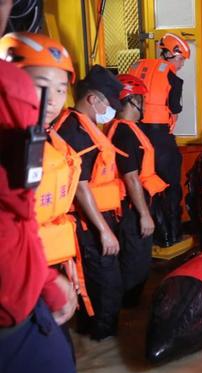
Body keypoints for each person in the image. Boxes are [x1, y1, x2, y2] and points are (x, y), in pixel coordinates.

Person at [0, 19, 85, 373]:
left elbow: (21, 223)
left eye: (60, 88)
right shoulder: (13, 142)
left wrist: (48, 280)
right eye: (39, 85)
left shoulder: (45, 142)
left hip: (41, 281)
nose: (51, 99)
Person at [54, 65, 126, 341]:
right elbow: (81, 187)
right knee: (105, 285)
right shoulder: (75, 130)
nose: (111, 111)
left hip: (98, 216)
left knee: (104, 283)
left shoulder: (84, 125)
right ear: (93, 99)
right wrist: (103, 230)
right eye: (108, 103)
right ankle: (102, 343)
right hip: (88, 222)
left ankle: (94, 338)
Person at [105, 74, 168, 307]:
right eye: (141, 99)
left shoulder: (124, 129)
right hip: (132, 209)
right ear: (132, 101)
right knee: (136, 260)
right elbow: (131, 178)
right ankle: (129, 309)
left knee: (134, 259)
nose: (143, 104)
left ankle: (128, 306)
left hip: (132, 205)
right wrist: (144, 214)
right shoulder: (125, 133)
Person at [129, 32, 190, 247]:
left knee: (146, 185)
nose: (182, 64)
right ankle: (172, 236)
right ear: (173, 55)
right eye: (182, 59)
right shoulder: (173, 77)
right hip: (160, 138)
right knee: (171, 186)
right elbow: (175, 107)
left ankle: (153, 236)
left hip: (135, 134)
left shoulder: (136, 67)